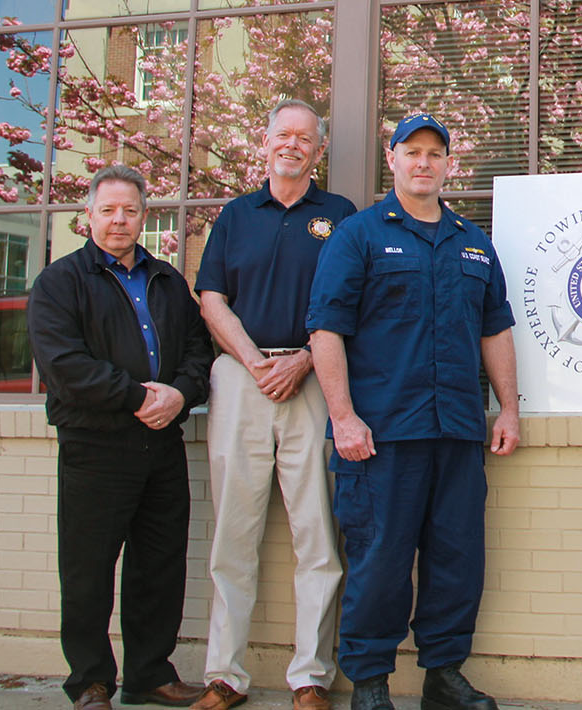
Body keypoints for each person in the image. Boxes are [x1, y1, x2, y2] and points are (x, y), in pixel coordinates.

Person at [306, 112, 520, 710]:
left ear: (449, 164)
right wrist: (343, 417)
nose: (423, 162)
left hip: (455, 430)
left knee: (457, 558)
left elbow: (496, 328)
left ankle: (443, 676)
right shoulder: (360, 234)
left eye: (434, 153)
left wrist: (508, 409)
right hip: (381, 436)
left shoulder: (473, 243)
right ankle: (369, 683)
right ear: (392, 158)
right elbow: (326, 328)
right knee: (379, 559)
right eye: (412, 151)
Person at [190, 99, 356, 710]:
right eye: (283, 135)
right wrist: (256, 363)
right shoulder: (235, 215)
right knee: (234, 532)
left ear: (319, 149)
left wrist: (304, 360)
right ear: (265, 144)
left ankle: (310, 676)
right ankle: (224, 676)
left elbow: (348, 299)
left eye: (305, 138)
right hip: (241, 377)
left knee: (316, 531)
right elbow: (211, 297)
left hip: (314, 376)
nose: (293, 144)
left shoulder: (339, 215)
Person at [27, 165, 213, 710]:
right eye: (107, 210)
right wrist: (139, 398)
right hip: (95, 446)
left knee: (159, 566)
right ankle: (90, 681)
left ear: (144, 217)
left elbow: (199, 351)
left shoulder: (168, 281)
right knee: (88, 571)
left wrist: (179, 395)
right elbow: (64, 366)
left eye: (129, 210)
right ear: (87, 216)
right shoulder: (60, 282)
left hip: (161, 447)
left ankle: (149, 674)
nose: (118, 220)